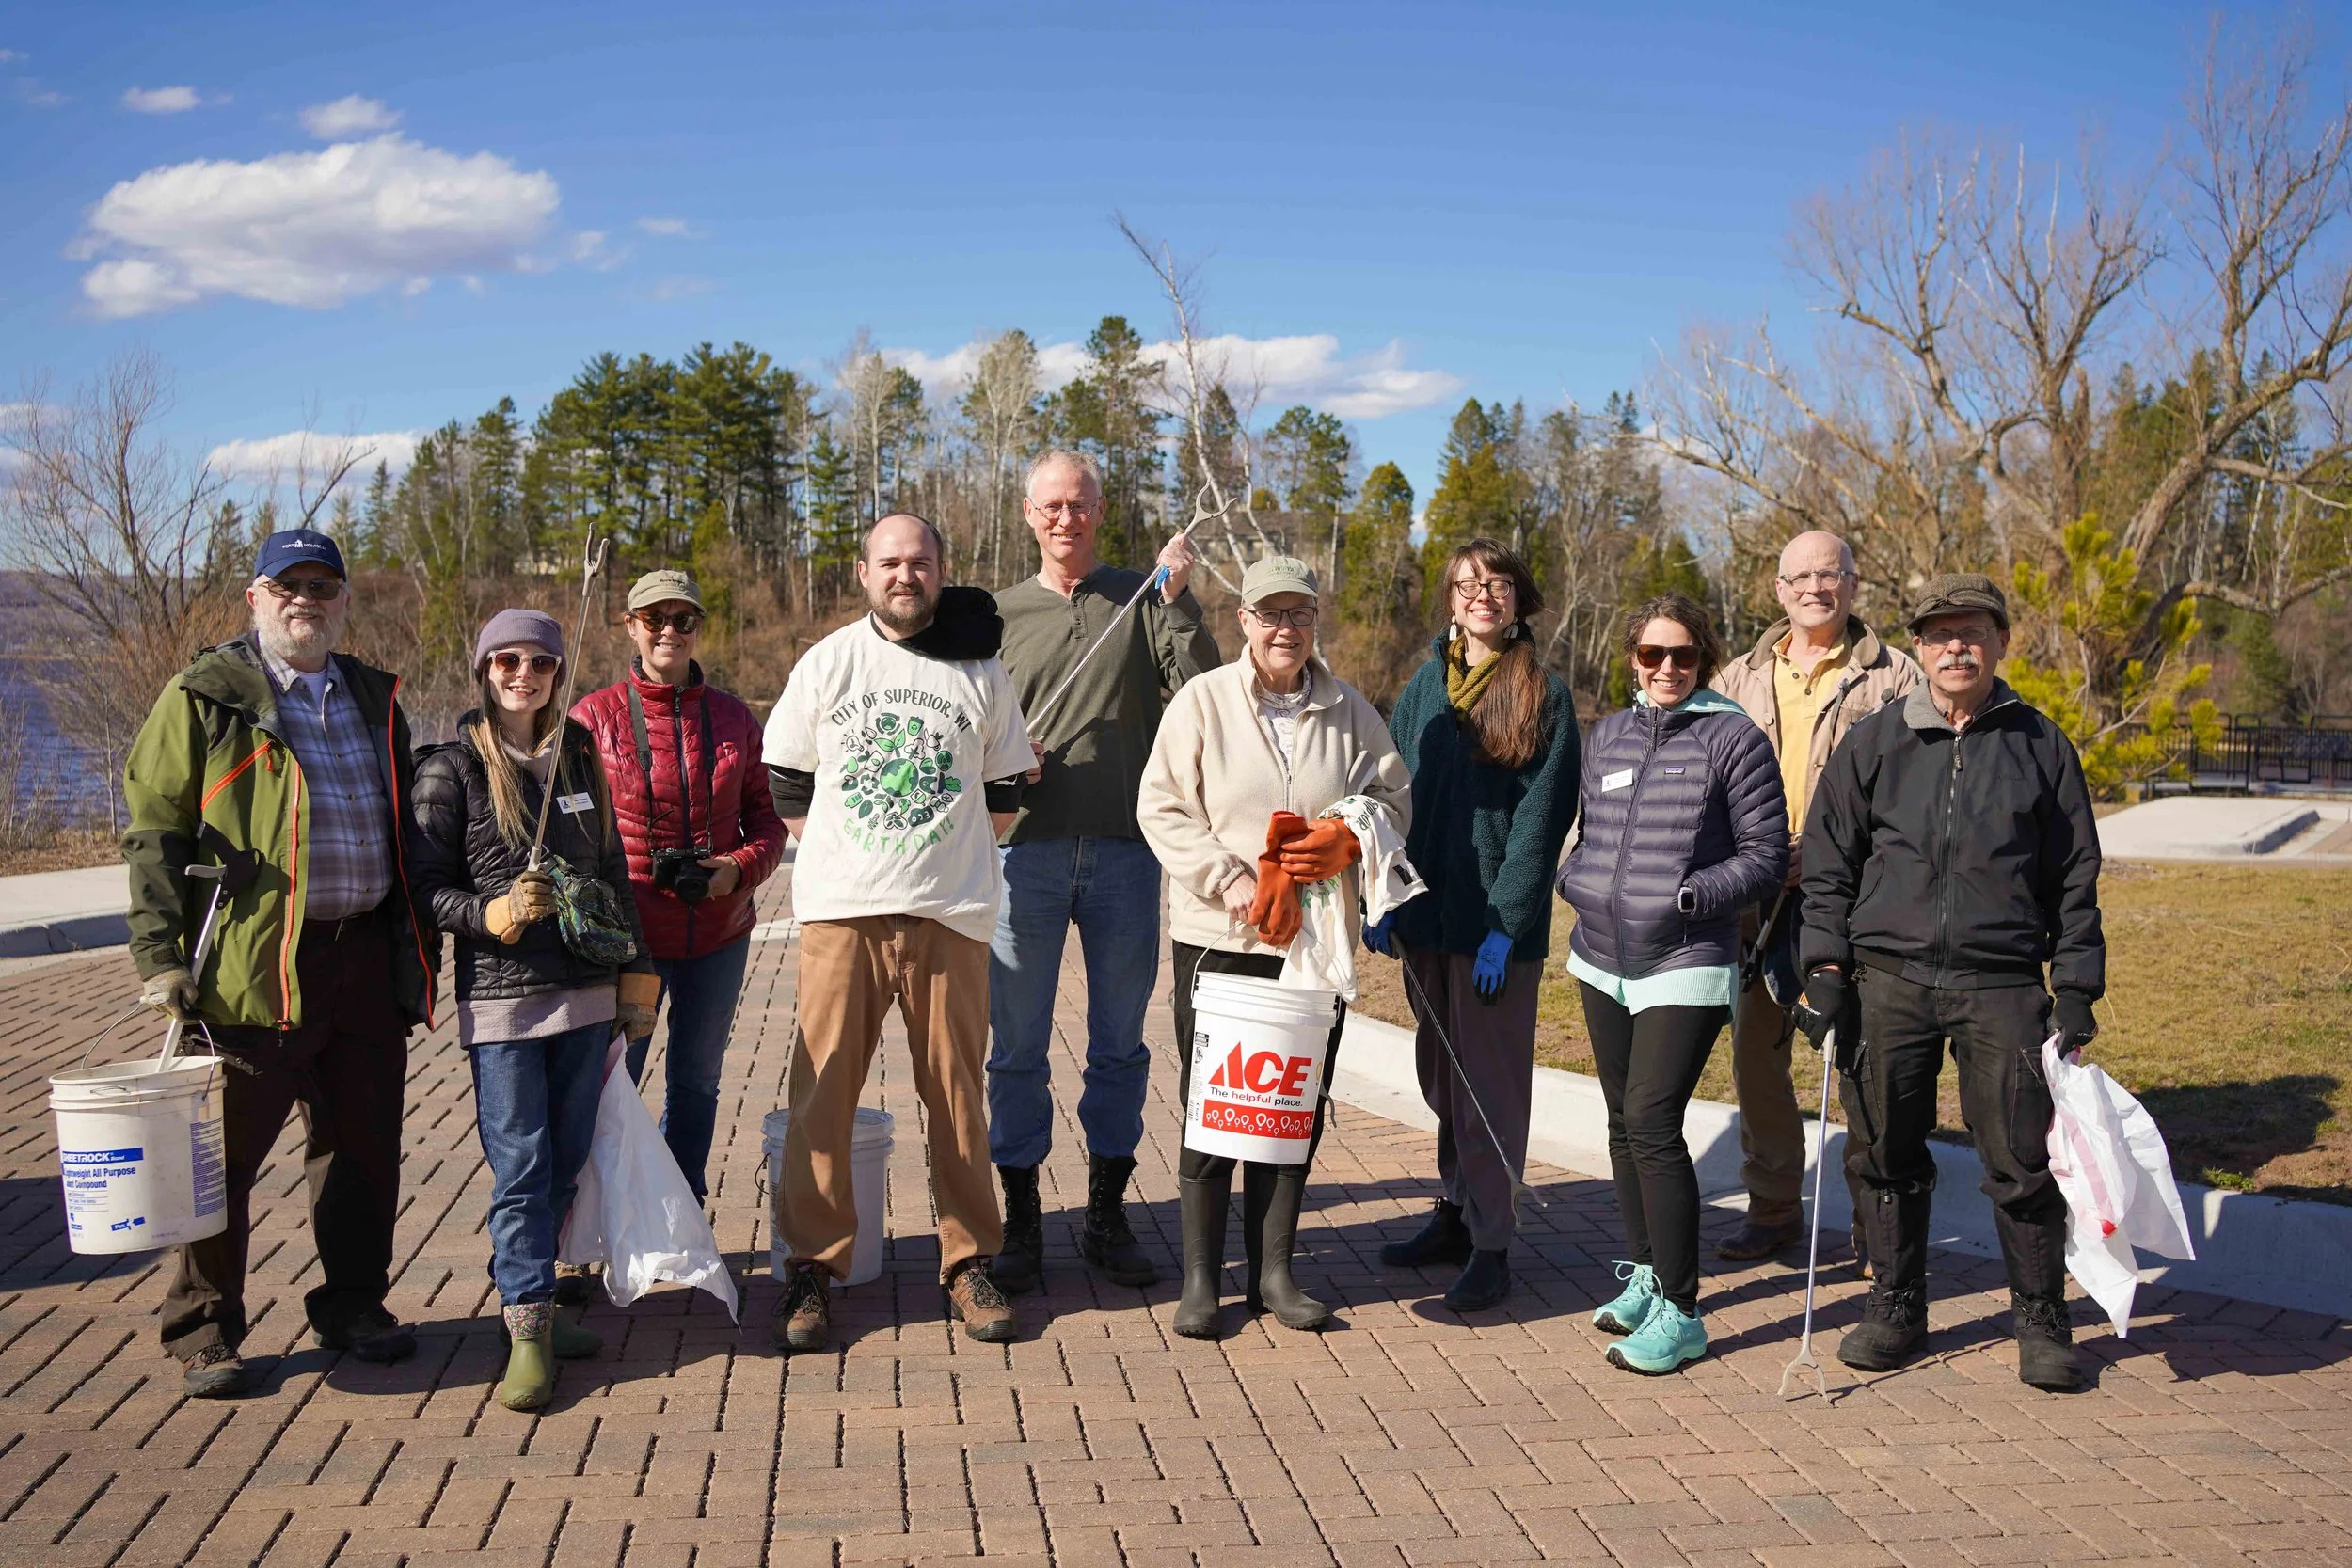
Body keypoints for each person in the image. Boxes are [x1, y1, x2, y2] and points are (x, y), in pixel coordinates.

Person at [123, 528, 439, 1398]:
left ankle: (351, 1305)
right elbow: (153, 831)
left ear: (343, 601)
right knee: (218, 1157)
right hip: (253, 965)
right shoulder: (206, 696)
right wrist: (161, 956)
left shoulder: (377, 697)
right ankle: (204, 1328)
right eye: (287, 584)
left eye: (323, 586)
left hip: (364, 956)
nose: (307, 598)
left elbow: (407, 828)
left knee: (362, 1149)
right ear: (255, 598)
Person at [1799, 573, 2104, 1393]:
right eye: (1940, 634)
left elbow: (2075, 879)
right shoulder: (1875, 742)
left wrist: (2075, 987)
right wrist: (1824, 965)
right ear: (1921, 650)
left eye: (1974, 631)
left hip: (2001, 983)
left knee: (2020, 1158)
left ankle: (2041, 1318)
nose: (1957, 646)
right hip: (1887, 979)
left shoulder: (2040, 745)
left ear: (2001, 642)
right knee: (1886, 1151)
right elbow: (1828, 865)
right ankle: (1896, 1304)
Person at [763, 514, 1037, 1353]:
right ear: (863, 573)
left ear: (941, 569)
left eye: (920, 561)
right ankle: (812, 1265)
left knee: (957, 1094)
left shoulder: (980, 669)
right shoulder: (828, 664)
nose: (905, 575)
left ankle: (967, 1259)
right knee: (824, 1095)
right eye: (890, 562)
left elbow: (1008, 787)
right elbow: (785, 778)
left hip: (949, 916)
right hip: (843, 915)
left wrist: (944, 857)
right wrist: (850, 858)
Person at [1137, 555, 1411, 1339]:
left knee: (1292, 1102)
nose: (1284, 628)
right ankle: (1200, 1276)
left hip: (1313, 943)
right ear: (1244, 622)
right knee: (1219, 1098)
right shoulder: (1202, 702)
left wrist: (1347, 839)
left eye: (1298, 614)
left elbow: (1397, 799)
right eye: (1270, 614)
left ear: (1314, 621)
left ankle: (1274, 1271)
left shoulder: (1350, 708)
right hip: (1220, 933)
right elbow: (1161, 805)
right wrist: (1224, 879)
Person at [987, 451, 1221, 1294]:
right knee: (1015, 1046)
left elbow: (1199, 688)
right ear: (1027, 512)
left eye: (1079, 505)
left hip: (1126, 853)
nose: (1066, 519)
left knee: (1119, 1044)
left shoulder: (1143, 593)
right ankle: (1019, 1217)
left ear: (1100, 508)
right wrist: (1005, 762)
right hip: (1025, 856)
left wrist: (1180, 596)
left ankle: (1105, 1209)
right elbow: (966, 732)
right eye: (1051, 506)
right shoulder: (996, 614)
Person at [411, 609, 658, 1412]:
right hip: (506, 1006)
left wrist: (636, 978)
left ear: (558, 672)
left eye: (541, 662)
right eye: (507, 661)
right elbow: (423, 892)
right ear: (484, 670)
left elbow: (616, 871)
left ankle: (541, 1308)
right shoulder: (451, 768)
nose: (525, 674)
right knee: (520, 1170)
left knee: (566, 1157)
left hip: (585, 994)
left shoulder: (579, 754)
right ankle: (524, 1329)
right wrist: (490, 913)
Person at [1556, 593, 1787, 1376]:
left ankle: (1684, 1314)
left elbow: (1765, 853)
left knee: (1653, 1121)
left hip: (1685, 958)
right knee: (1622, 1122)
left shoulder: (1735, 739)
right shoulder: (1608, 735)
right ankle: (1649, 1275)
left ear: (1703, 660)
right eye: (1651, 655)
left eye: (1681, 656)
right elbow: (1589, 831)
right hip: (1600, 955)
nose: (1665, 668)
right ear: (1632, 659)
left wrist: (1691, 896)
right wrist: (1575, 879)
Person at [1372, 539, 1581, 1312]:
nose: (1480, 594)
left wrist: (1509, 921)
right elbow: (1389, 797)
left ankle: (1493, 1243)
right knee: (1441, 1077)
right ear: (1451, 601)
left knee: (1488, 1089)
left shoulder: (1544, 694)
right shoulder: (1425, 685)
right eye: (1465, 584)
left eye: (1495, 583)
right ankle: (1456, 1212)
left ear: (1518, 598)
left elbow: (1540, 818)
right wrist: (1381, 898)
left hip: (1495, 928)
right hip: (1426, 915)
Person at [1708, 531, 1919, 1267]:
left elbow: (1913, 795)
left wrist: (1829, 855)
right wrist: (1755, 855)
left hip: (1853, 900)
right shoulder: (1737, 677)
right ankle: (1771, 1210)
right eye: (1800, 576)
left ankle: (1872, 1223)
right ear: (1777, 588)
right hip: (1756, 901)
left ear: (1853, 583)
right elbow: (1709, 783)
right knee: (1756, 1061)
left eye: (1829, 574)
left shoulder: (1896, 678)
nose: (1815, 588)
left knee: (1860, 1060)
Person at [573, 569, 787, 1202]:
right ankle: (597, 1219)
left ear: (698, 627)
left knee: (697, 1081)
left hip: (718, 935)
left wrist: (738, 869)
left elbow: (768, 821)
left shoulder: (733, 718)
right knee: (615, 1082)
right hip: (629, 941)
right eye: (654, 619)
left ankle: (679, 1210)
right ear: (630, 625)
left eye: (683, 619)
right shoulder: (594, 719)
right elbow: (573, 833)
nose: (669, 631)